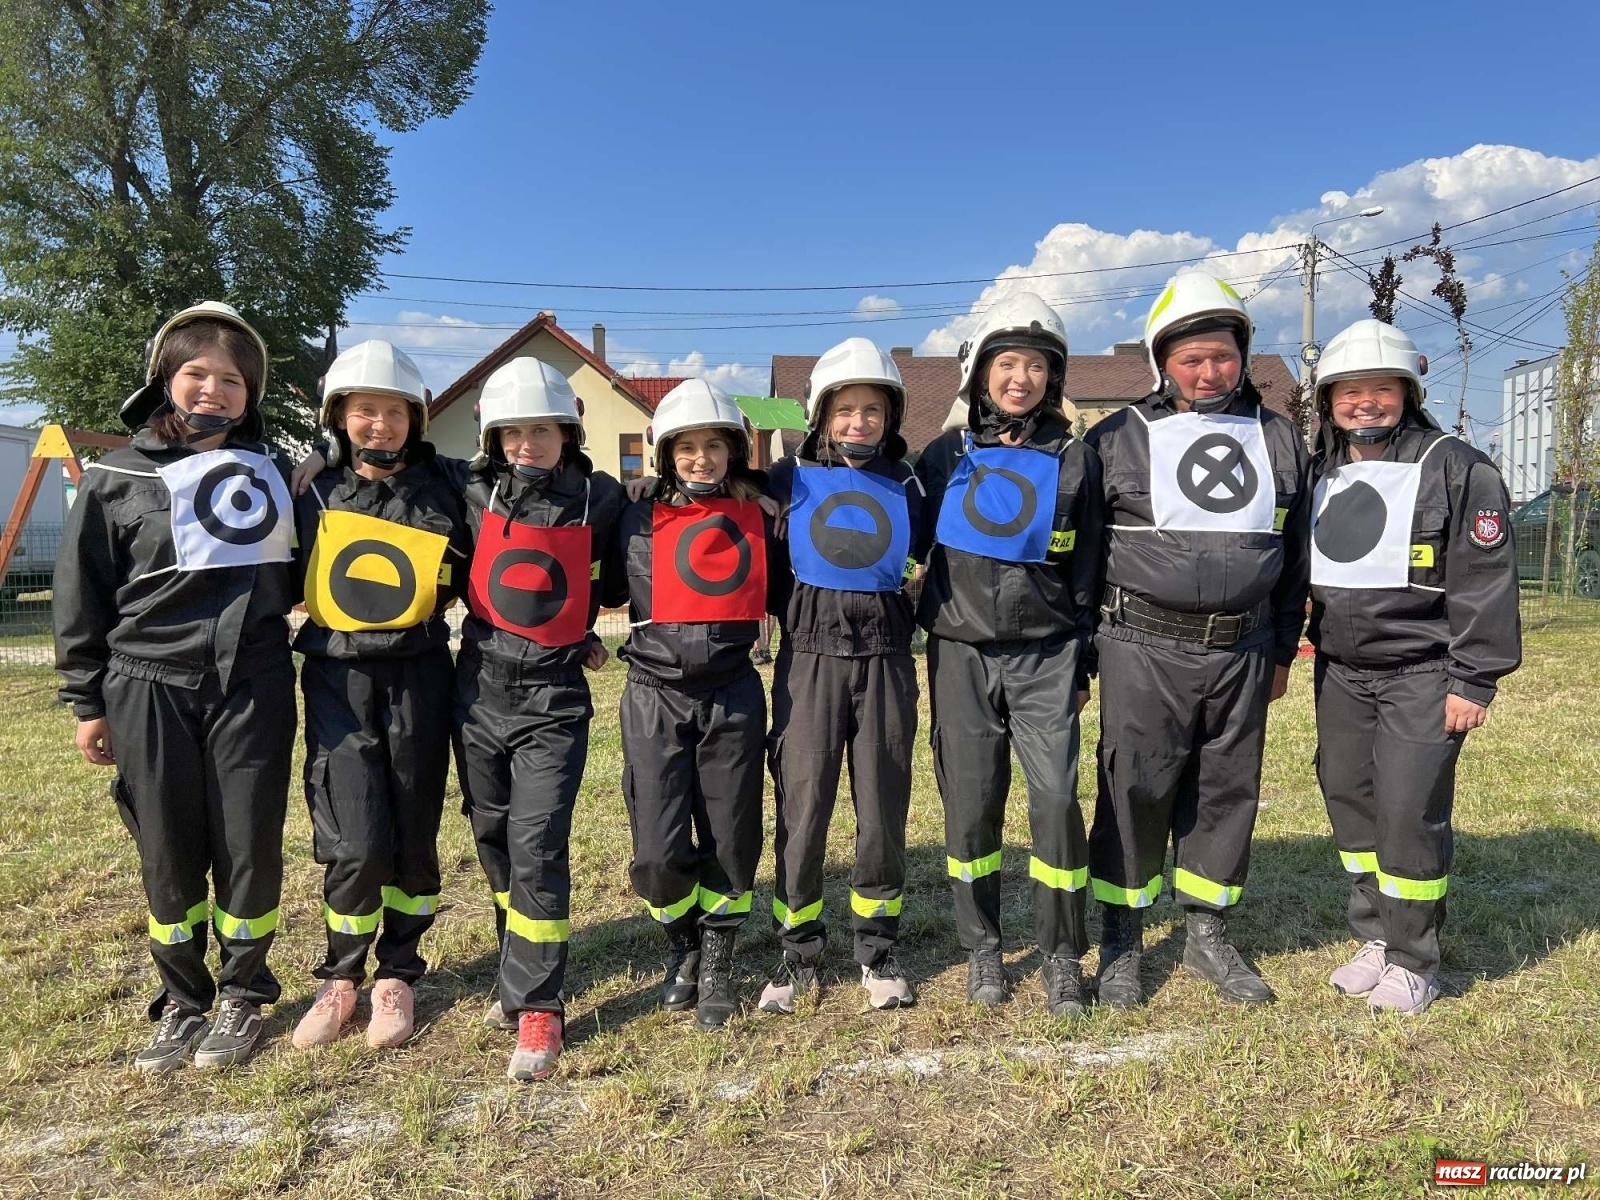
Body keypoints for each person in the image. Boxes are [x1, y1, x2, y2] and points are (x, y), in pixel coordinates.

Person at [54, 301, 296, 1071]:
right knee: (166, 847)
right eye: (197, 372)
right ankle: (183, 1000)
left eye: (232, 379)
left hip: (252, 682)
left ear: (250, 394)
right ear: (166, 377)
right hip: (147, 683)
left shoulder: (279, 477)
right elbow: (82, 591)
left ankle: (244, 995)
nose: (213, 390)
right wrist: (86, 701)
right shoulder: (114, 477)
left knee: (248, 842)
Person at [1084, 272, 1310, 1009]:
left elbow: (1295, 556)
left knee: (1226, 791)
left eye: (1222, 356)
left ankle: (1209, 933)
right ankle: (1122, 937)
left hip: (1242, 652)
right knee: (1135, 788)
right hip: (1141, 646)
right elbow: (1082, 555)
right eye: (1191, 359)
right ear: (1162, 363)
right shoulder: (1116, 437)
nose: (1209, 372)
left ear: (1243, 356)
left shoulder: (1279, 438)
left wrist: (1280, 650)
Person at [1307, 319, 1521, 1014]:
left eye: (1381, 389)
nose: (1364, 403)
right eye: (1349, 391)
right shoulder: (1323, 467)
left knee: (1408, 811)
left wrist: (1475, 676)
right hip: (1341, 671)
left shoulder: (1456, 465)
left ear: (1408, 391)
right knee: (1352, 804)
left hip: (1423, 672)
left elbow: (1486, 577)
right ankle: (1375, 935)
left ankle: (1415, 958)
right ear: (1328, 399)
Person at [916, 292, 1105, 1018]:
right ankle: (983, 948)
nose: (1019, 378)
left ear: (1051, 377)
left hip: (1048, 655)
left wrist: (1083, 661)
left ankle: (1062, 954)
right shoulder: (941, 457)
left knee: (1056, 802)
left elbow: (1089, 568)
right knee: (971, 811)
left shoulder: (1076, 461)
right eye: (1006, 363)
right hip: (960, 653)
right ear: (980, 374)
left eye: (1033, 365)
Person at [288, 340, 470, 1052]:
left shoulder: (448, 484)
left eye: (393, 412)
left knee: (414, 834)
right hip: (339, 677)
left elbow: (517, 476)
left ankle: (398, 973)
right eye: (365, 411)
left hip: (422, 674)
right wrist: (313, 459)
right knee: (356, 838)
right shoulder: (310, 488)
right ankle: (340, 976)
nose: (380, 425)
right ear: (340, 416)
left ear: (415, 418)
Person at [448, 359, 624, 1080]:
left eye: (542, 430)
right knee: (493, 839)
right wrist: (327, 454)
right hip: (478, 691)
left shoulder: (601, 497)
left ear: (568, 432)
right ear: (493, 437)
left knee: (538, 843)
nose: (528, 443)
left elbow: (616, 574)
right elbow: (388, 481)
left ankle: (539, 1006)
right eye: (513, 431)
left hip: (554, 701)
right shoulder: (467, 489)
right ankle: (514, 968)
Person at [758, 337, 923, 1014]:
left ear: (891, 416)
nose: (860, 421)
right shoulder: (784, 481)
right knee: (803, 808)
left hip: (886, 661)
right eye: (846, 408)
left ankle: (876, 952)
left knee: (882, 809)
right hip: (809, 661)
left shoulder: (910, 483)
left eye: (873, 409)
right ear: (822, 414)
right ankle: (797, 951)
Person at [612, 379, 775, 1033]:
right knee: (656, 848)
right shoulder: (631, 509)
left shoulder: (762, 512)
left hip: (732, 691)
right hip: (653, 694)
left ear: (733, 451)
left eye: (715, 446)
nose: (702, 459)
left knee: (731, 838)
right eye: (688, 447)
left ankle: (716, 957)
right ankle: (680, 938)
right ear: (666, 451)